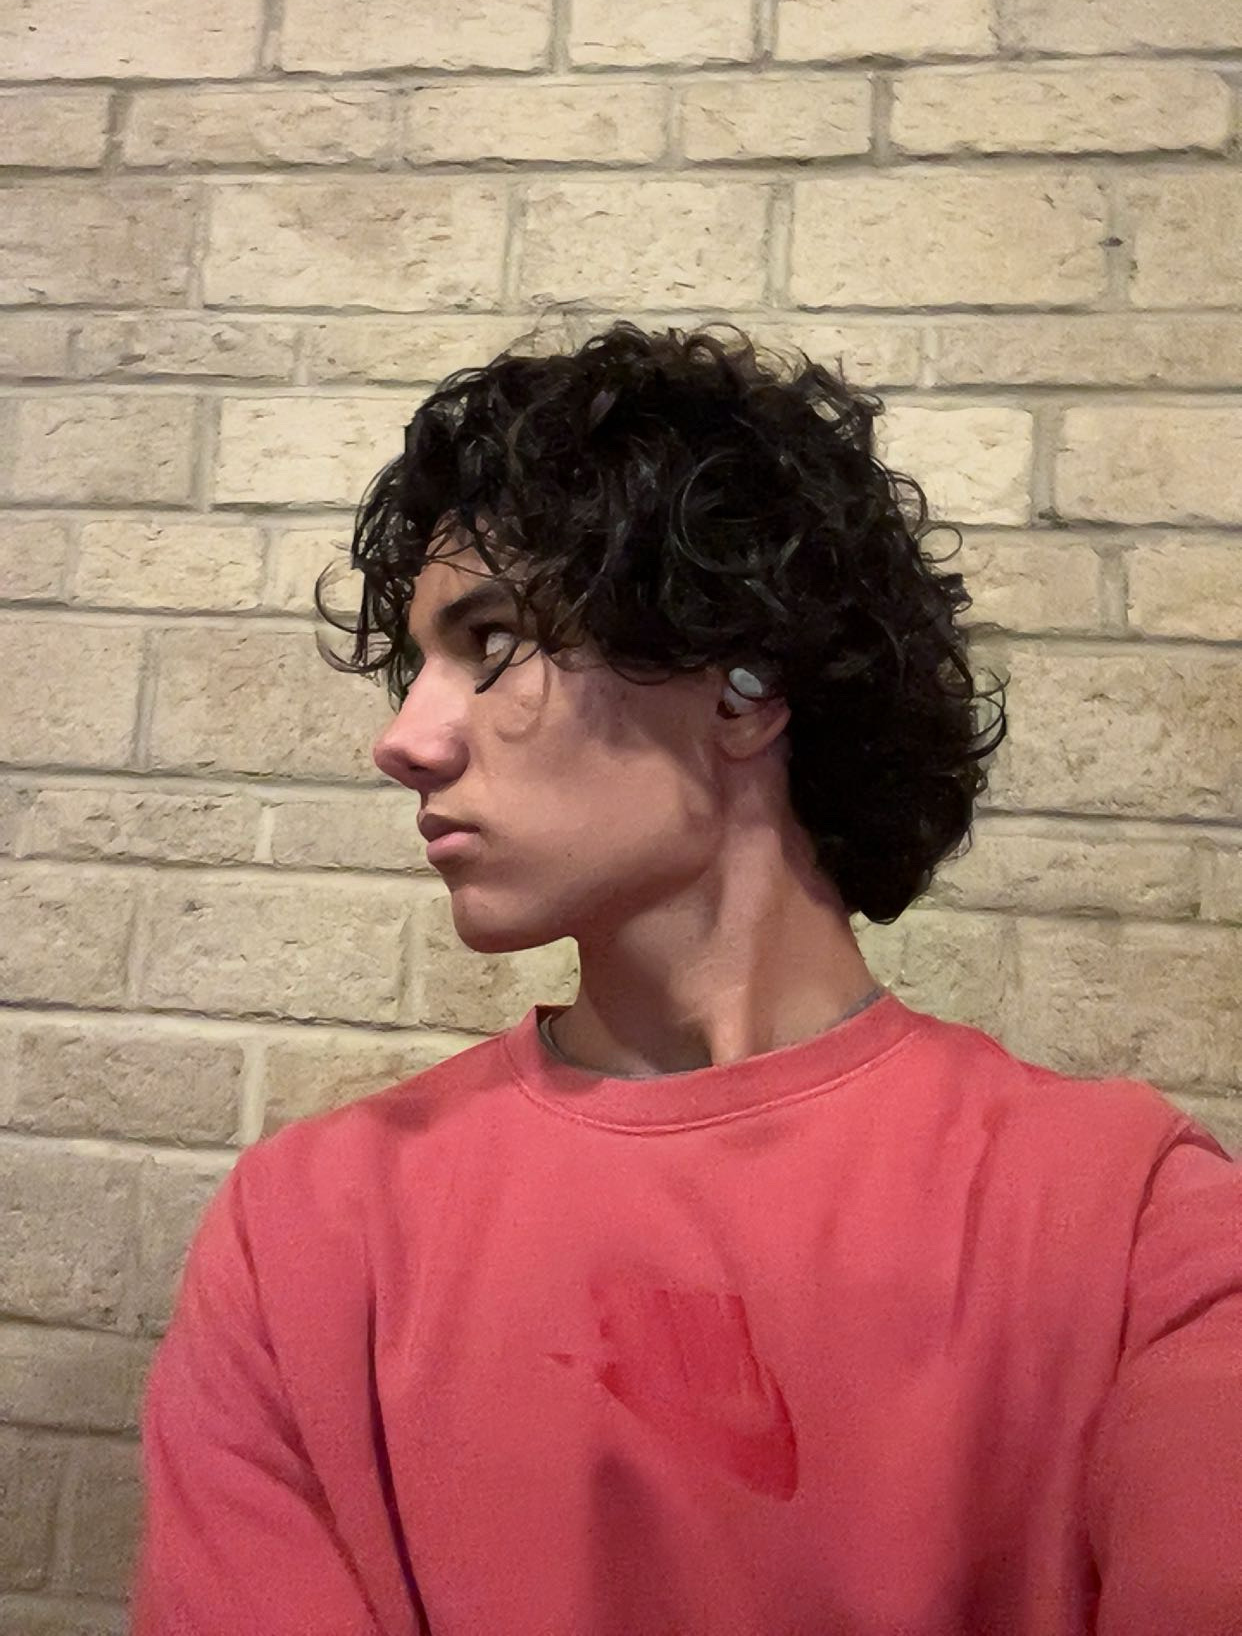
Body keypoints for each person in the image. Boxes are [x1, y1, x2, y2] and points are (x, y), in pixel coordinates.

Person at [131, 322, 1241, 1636]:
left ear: (744, 685)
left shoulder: (1137, 1233)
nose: (405, 740)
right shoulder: (309, 1235)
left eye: (492, 642)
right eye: (416, 666)